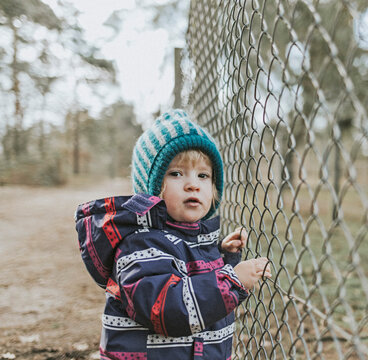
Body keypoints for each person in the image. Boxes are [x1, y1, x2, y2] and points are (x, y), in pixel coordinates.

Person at [75, 109, 271, 359]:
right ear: (151, 188)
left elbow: (196, 284)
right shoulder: (139, 245)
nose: (193, 184)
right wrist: (232, 280)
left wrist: (223, 257)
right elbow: (168, 308)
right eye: (176, 173)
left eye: (203, 175)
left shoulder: (195, 239)